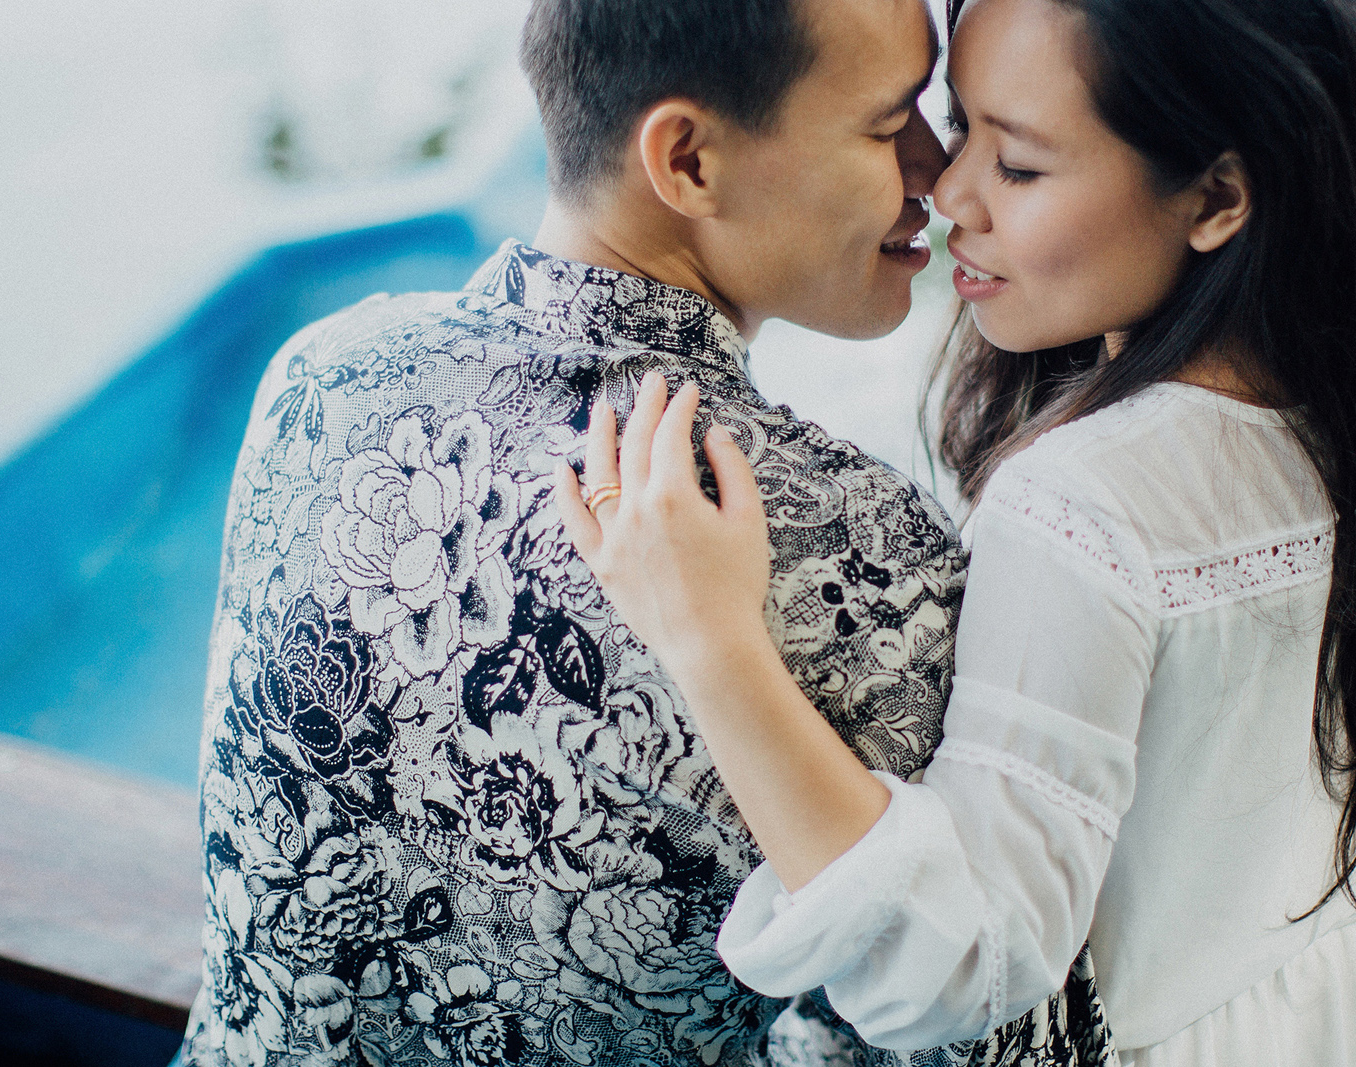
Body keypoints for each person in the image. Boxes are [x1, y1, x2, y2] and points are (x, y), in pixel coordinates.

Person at [179, 0, 1115, 1064]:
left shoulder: (322, 376)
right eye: (886, 122)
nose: (935, 175)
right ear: (687, 161)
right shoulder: (852, 555)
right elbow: (1004, 1038)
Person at [555, 0, 1356, 1062]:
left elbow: (965, 965)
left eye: (1016, 165)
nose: (947, 188)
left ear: (1213, 198)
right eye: (955, 124)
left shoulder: (1083, 500)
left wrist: (709, 640)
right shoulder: (1313, 421)